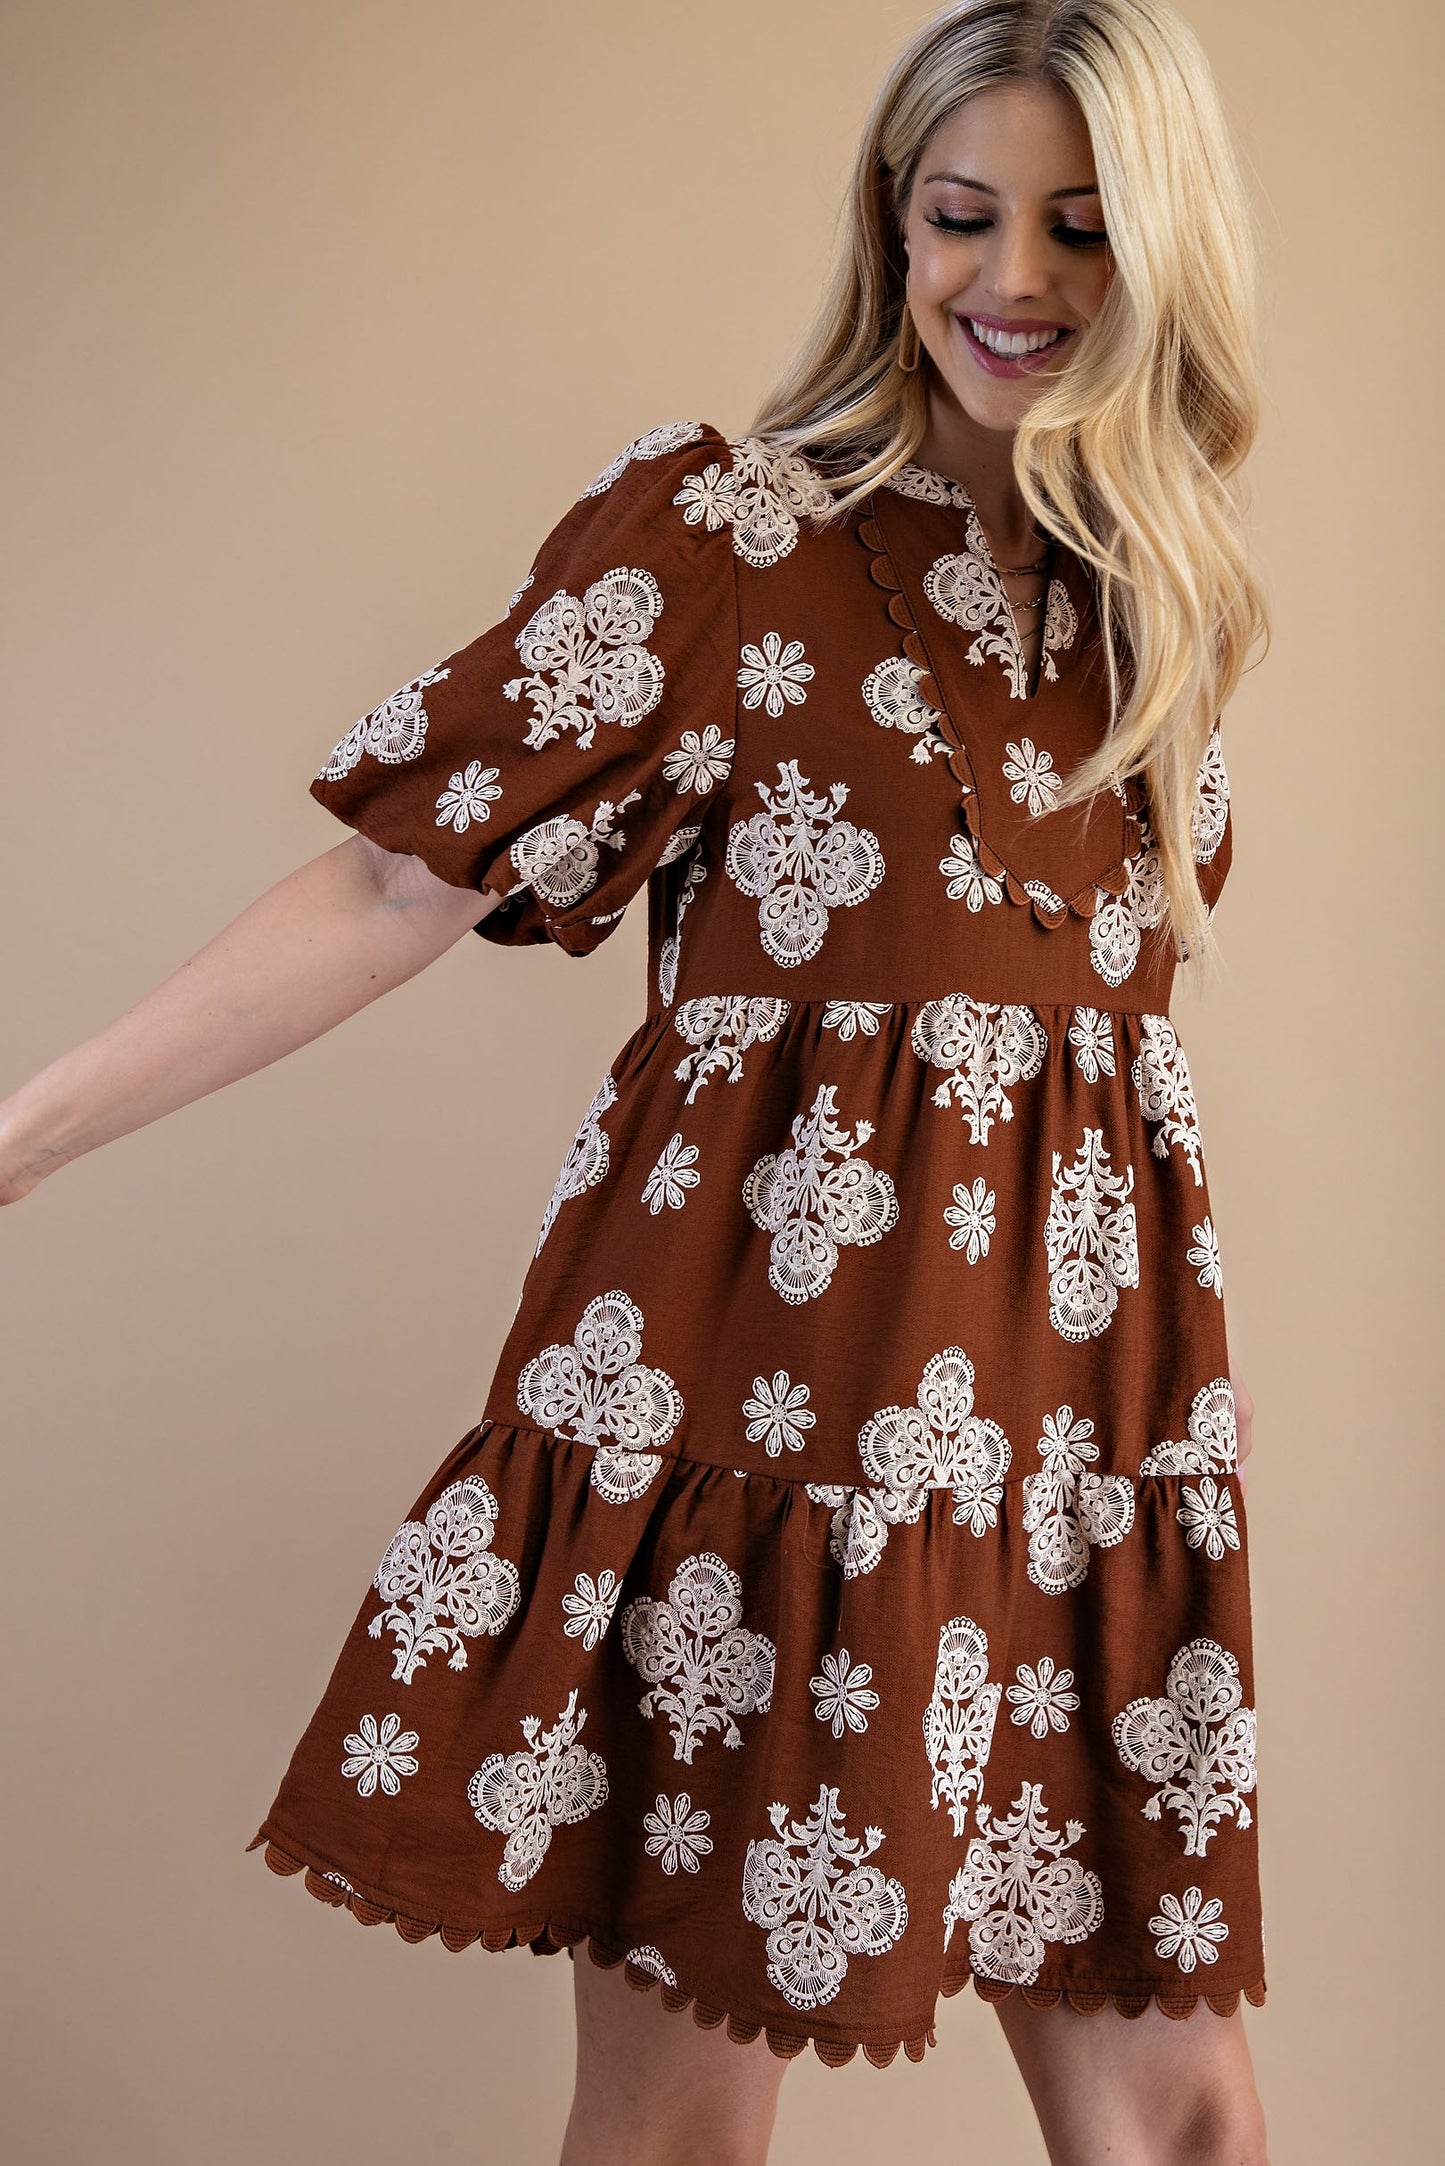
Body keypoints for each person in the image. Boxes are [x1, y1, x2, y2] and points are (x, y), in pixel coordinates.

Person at [0, 1, 1272, 2159]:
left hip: (1073, 1463)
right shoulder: (719, 533)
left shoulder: (1157, 603)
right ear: (895, 220)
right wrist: (21, 1135)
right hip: (756, 1437)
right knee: (684, 2139)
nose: (1018, 282)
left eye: (1082, 226)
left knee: (1184, 2120)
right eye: (967, 215)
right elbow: (399, 887)